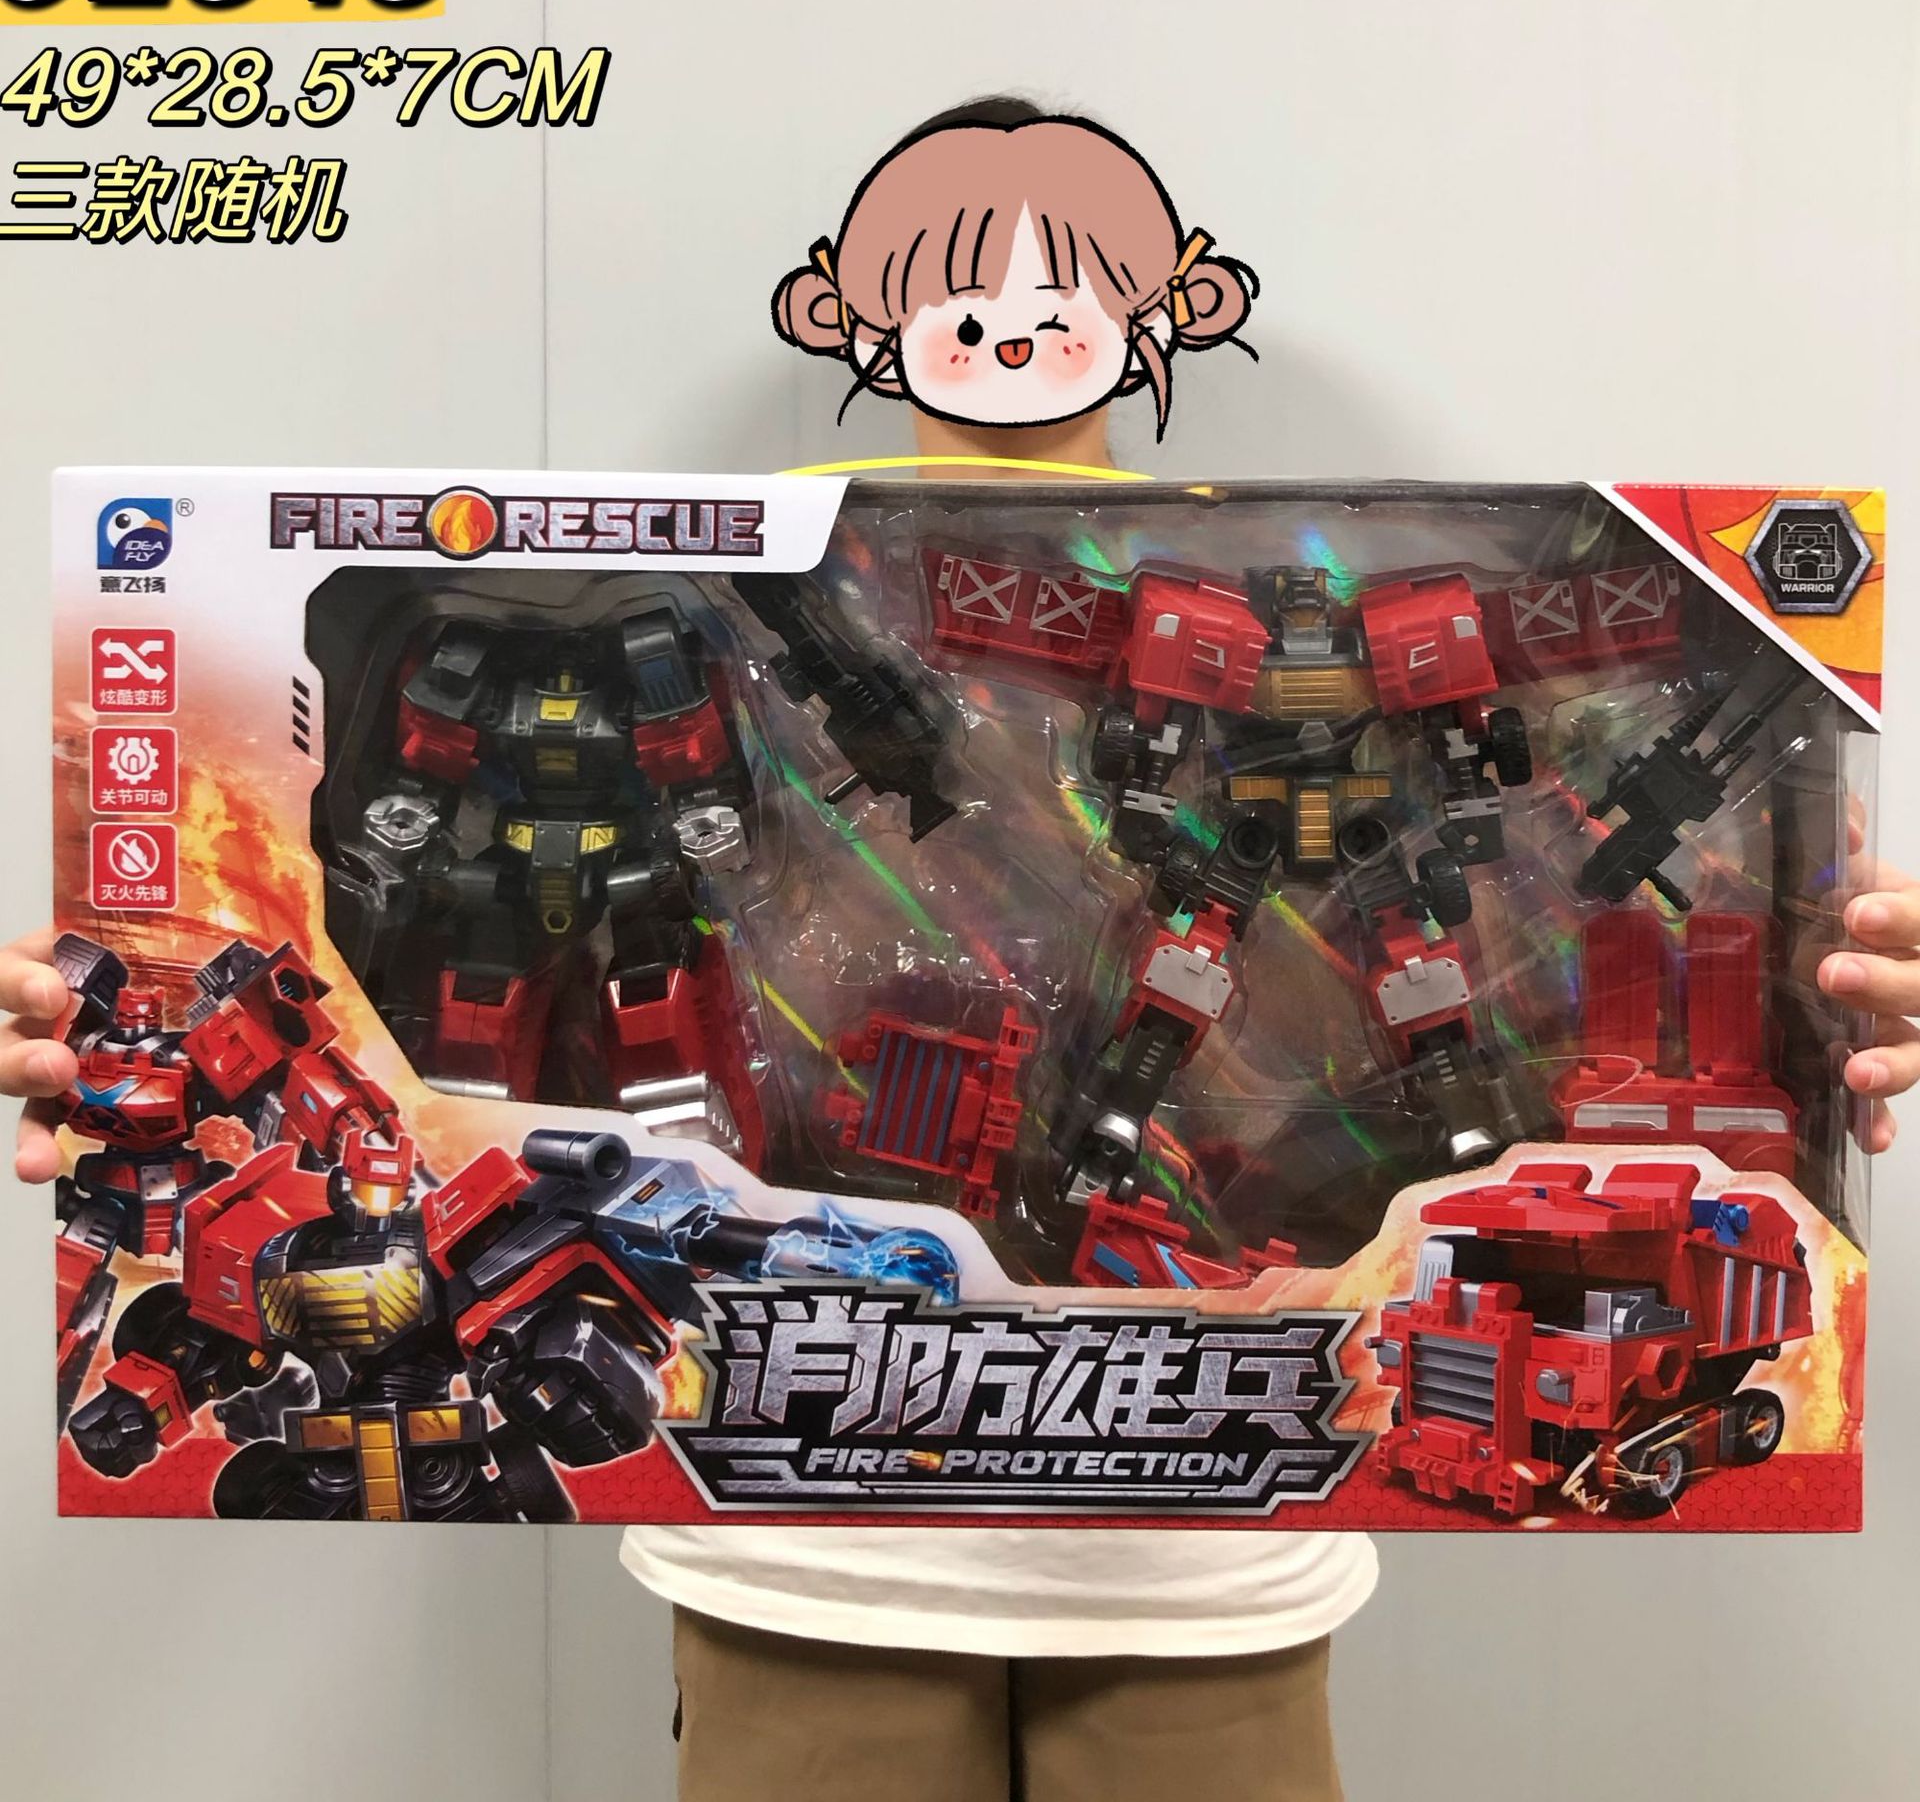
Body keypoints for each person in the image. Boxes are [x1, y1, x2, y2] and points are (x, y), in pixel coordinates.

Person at [6, 100, 1911, 1802]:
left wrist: (1841, 993)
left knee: (1391, 988)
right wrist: (129, 1014)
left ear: (1177, 304)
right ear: (843, 307)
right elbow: (299, 923)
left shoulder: (1307, 603)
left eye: (1064, 277)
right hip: (802, 1532)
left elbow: (1542, 721)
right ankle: (1097, 1133)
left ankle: (1300, 1129)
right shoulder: (784, 582)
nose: (1009, 321)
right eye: (950, 284)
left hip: (1211, 1549)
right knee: (1117, 994)